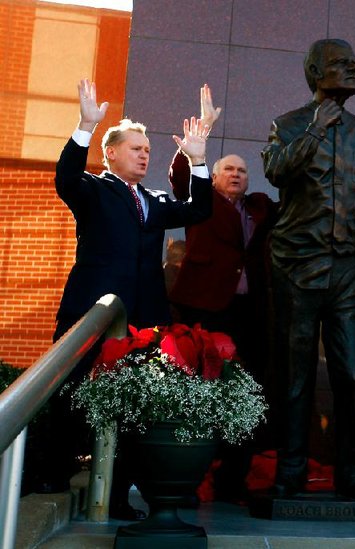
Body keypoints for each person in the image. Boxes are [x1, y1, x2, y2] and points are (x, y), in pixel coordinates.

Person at [45, 79, 212, 518]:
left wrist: (197, 160)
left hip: (142, 324)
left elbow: (198, 210)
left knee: (131, 406)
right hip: (90, 315)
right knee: (69, 393)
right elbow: (65, 179)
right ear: (111, 153)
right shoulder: (94, 190)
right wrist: (85, 125)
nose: (144, 154)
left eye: (148, 150)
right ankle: (49, 476)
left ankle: (116, 496)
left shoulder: (154, 200)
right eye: (135, 148)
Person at [261, 38, 355, 499]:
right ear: (313, 72)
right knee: (295, 376)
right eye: (340, 64)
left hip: (348, 271)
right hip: (296, 267)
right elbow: (275, 172)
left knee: (351, 375)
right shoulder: (287, 125)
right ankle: (289, 473)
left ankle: (353, 475)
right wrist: (313, 131)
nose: (353, 68)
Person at [169, 85, 279, 503]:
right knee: (198, 388)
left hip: (248, 313)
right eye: (228, 170)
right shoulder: (202, 197)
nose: (236, 175)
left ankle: (233, 480)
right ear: (214, 177)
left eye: (242, 171)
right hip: (203, 307)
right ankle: (185, 477)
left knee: (245, 393)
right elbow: (181, 177)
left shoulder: (258, 206)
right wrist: (198, 143)